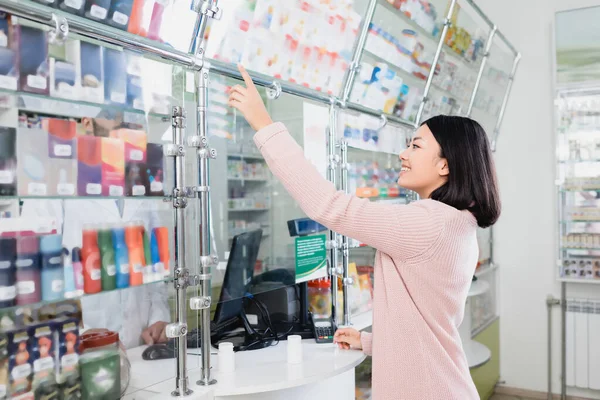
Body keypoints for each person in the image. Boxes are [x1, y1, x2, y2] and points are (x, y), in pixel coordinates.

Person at [228, 64, 500, 399]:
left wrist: (263, 124)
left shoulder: (428, 222)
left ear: (445, 165)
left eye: (415, 146)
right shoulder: (460, 222)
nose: (403, 154)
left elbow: (328, 205)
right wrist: (372, 342)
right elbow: (430, 324)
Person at [21, 113, 171, 349]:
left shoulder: (142, 181)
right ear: (87, 123)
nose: (128, 128)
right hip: (80, 345)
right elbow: (33, 273)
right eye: (117, 121)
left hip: (140, 343)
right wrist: (77, 332)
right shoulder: (55, 178)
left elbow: (153, 261)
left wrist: (159, 317)